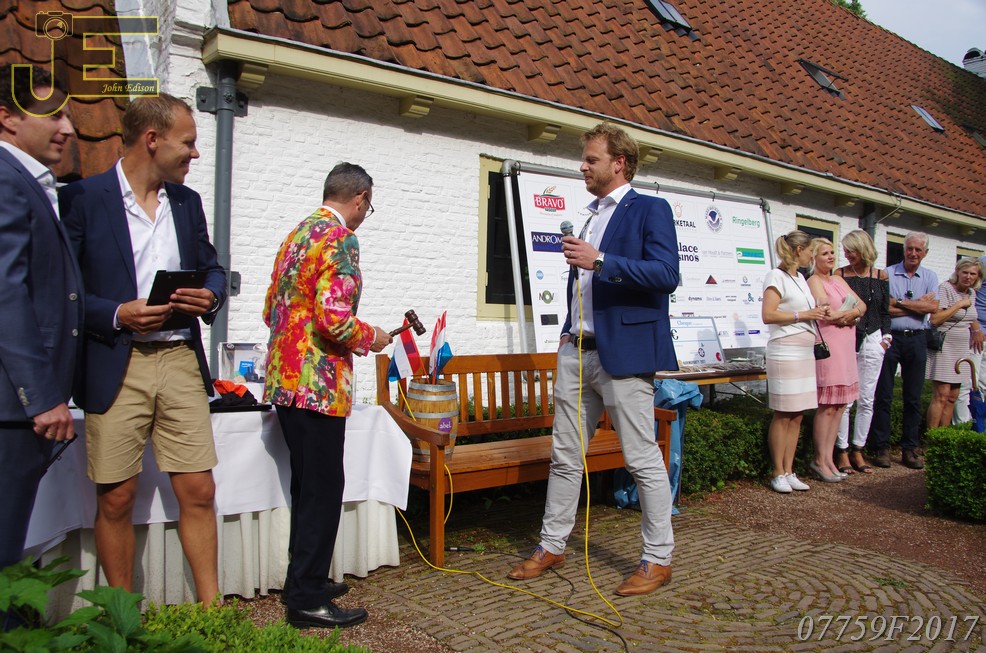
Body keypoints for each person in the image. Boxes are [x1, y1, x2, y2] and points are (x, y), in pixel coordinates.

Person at [60, 94, 227, 604]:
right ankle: (122, 619)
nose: (195, 153)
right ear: (152, 140)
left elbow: (213, 268)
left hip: (179, 358)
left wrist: (211, 295)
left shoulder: (187, 202)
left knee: (199, 490)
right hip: (116, 360)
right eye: (188, 142)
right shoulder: (83, 199)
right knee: (117, 497)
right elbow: (62, 290)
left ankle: (212, 611)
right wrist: (117, 313)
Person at [506, 123, 678, 596]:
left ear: (619, 163)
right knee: (565, 457)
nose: (582, 166)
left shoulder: (650, 209)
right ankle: (552, 545)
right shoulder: (588, 217)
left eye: (591, 159)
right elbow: (582, 286)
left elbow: (666, 274)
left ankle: (658, 559)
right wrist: (568, 330)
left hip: (625, 355)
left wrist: (601, 260)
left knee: (642, 459)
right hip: (577, 353)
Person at [264, 162, 392, 628]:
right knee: (322, 491)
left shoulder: (297, 234)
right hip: (317, 385)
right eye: (367, 207)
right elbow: (334, 318)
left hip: (284, 379)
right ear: (360, 198)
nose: (364, 215)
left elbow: (270, 309)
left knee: (306, 486)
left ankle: (303, 580)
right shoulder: (340, 238)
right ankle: (306, 600)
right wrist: (372, 336)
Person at [0, 64, 81, 628]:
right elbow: (6, 293)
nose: (68, 128)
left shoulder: (30, 182)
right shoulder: (8, 180)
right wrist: (41, 394)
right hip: (13, 407)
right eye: (53, 115)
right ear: (7, 117)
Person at [760, 230, 830, 494]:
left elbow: (804, 312)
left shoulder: (800, 277)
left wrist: (817, 312)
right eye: (811, 252)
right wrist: (804, 314)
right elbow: (768, 314)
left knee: (798, 413)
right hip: (785, 351)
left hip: (803, 352)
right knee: (783, 413)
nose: (812, 257)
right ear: (799, 250)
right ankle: (777, 472)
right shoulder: (775, 276)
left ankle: (789, 470)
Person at [868, 232, 939, 470]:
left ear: (925, 253)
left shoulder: (930, 276)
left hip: (917, 339)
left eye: (918, 250)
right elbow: (883, 308)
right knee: (884, 394)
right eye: (910, 248)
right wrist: (917, 306)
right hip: (891, 338)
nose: (913, 253)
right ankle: (881, 447)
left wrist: (898, 302)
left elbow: (932, 307)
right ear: (904, 249)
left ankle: (909, 448)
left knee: (913, 397)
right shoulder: (887, 274)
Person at [834, 230, 890, 474]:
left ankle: (858, 448)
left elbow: (885, 311)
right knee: (845, 399)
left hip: (874, 339)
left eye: (851, 250)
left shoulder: (880, 276)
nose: (847, 254)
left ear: (863, 249)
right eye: (845, 250)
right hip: (848, 338)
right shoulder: (840, 275)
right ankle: (842, 450)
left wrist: (886, 339)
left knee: (867, 399)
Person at [807, 238, 864, 482]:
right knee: (828, 406)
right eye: (825, 253)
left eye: (832, 252)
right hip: (830, 347)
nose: (831, 257)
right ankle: (819, 459)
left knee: (841, 405)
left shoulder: (839, 280)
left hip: (847, 346)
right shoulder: (814, 281)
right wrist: (850, 316)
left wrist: (851, 314)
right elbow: (825, 311)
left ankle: (829, 458)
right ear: (814, 258)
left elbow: (862, 305)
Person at [926, 258, 984, 428]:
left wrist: (977, 330)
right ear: (957, 272)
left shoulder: (971, 293)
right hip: (944, 346)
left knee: (953, 396)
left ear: (978, 277)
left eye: (972, 274)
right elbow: (935, 319)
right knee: (942, 394)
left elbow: (970, 317)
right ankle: (932, 437)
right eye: (965, 272)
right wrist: (959, 305)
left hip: (962, 348)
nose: (968, 276)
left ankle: (944, 435)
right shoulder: (946, 288)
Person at [953, 254, 986, 425]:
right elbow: (967, 296)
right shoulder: (982, 263)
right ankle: (962, 427)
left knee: (982, 384)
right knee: (968, 383)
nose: (968, 276)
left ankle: (978, 427)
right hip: (977, 335)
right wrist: (976, 329)